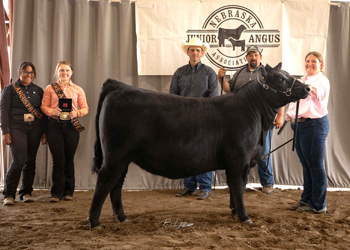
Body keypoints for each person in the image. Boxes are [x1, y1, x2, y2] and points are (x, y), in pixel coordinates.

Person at [217, 45, 284, 195]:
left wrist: (280, 115)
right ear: (246, 57)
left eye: (256, 55)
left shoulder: (267, 74)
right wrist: (220, 78)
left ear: (260, 57)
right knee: (242, 151)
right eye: (250, 55)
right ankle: (241, 182)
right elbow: (229, 90)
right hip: (241, 121)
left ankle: (267, 183)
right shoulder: (239, 72)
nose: (253, 57)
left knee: (264, 151)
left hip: (263, 119)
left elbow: (279, 94)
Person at [170, 37, 218, 200]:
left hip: (203, 119)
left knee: (204, 153)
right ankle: (189, 186)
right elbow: (172, 95)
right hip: (183, 119)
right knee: (186, 152)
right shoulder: (179, 72)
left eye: (198, 50)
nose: (195, 53)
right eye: (192, 50)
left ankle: (204, 187)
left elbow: (213, 96)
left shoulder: (209, 72)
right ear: (188, 52)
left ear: (202, 53)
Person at [287, 51, 330, 213]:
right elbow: (295, 103)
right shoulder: (303, 80)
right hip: (300, 126)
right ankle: (306, 200)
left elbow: (319, 95)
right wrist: (288, 118)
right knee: (307, 165)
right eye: (307, 61)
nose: (310, 64)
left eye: (314, 61)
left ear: (321, 64)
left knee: (316, 166)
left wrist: (303, 86)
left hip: (314, 125)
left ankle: (318, 205)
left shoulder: (322, 80)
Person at [41, 60, 89, 202]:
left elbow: (85, 108)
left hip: (71, 127)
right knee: (58, 161)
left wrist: (77, 113)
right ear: (57, 72)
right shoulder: (50, 88)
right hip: (54, 126)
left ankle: (68, 192)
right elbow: (43, 106)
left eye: (67, 70)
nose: (64, 73)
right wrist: (51, 111)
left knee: (69, 160)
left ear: (71, 72)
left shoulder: (78, 89)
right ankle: (56, 193)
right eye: (62, 70)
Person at [1, 61, 47, 205]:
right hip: (16, 127)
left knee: (30, 161)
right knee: (19, 160)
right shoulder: (9, 89)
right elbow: (3, 111)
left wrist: (44, 132)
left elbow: (43, 113)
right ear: (19, 72)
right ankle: (8, 194)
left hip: (35, 127)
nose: (29, 75)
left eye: (31, 72)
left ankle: (26, 192)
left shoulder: (39, 91)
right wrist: (5, 132)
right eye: (25, 72)